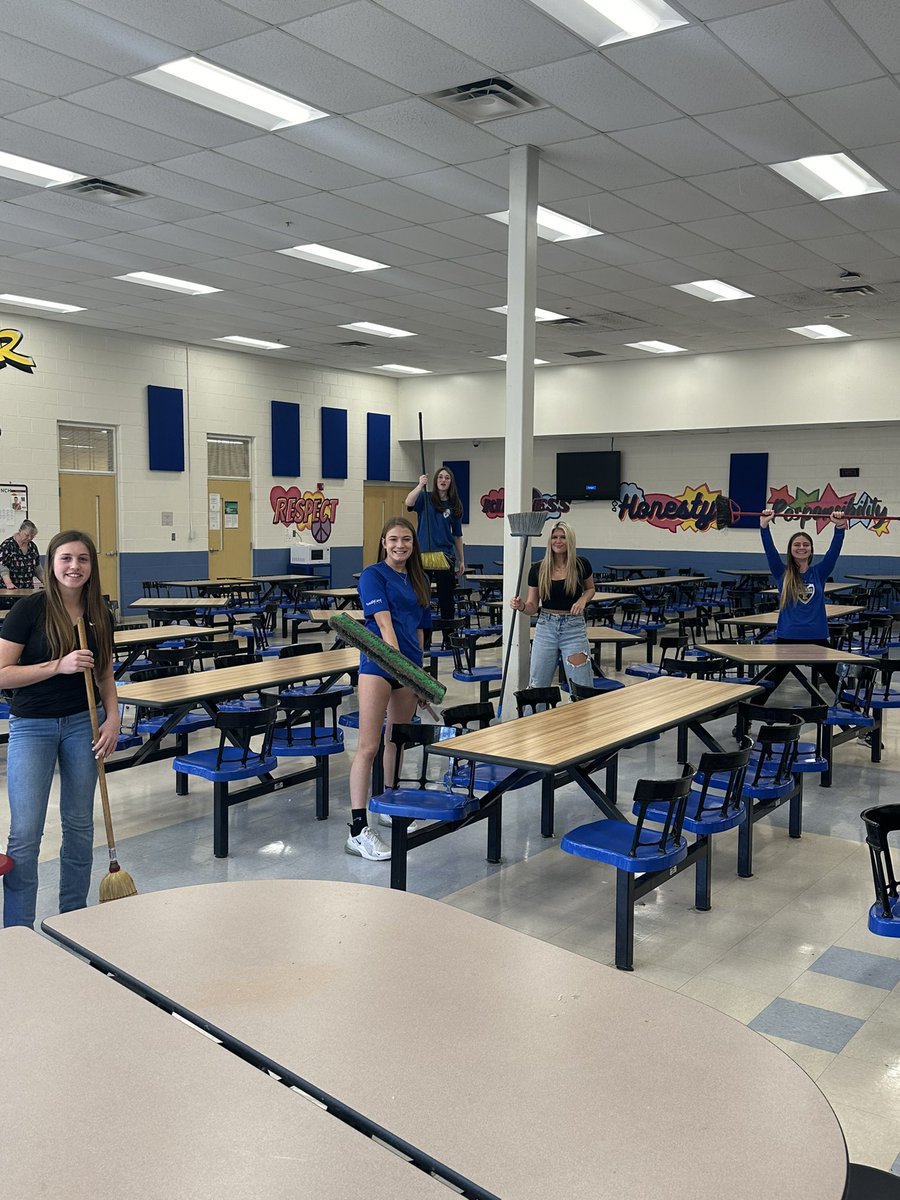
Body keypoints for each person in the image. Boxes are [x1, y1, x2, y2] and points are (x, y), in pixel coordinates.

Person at [0, 530, 120, 928]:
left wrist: (113, 717)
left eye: (83, 559)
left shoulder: (99, 613)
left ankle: (73, 917)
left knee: (80, 823)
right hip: (32, 727)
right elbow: (2, 675)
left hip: (82, 725)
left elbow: (103, 673)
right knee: (25, 832)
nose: (74, 566)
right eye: (66, 558)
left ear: (92, 566)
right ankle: (18, 930)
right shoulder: (29, 610)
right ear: (51, 563)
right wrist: (58, 665)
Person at [346, 516, 432, 861]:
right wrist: (397, 663)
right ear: (384, 542)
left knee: (396, 739)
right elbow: (383, 624)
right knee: (368, 746)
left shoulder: (419, 579)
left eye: (406, 540)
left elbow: (422, 631)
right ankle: (356, 829)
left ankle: (389, 804)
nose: (400, 545)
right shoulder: (372, 575)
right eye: (394, 539)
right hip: (378, 667)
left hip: (408, 669)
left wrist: (419, 677)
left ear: (413, 545)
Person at [759, 507, 848, 692]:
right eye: (797, 545)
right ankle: (750, 714)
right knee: (771, 680)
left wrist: (839, 528)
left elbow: (834, 552)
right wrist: (764, 527)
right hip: (788, 636)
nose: (801, 547)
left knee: (836, 680)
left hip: (817, 637)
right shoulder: (781, 572)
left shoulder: (820, 572)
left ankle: (854, 713)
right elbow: (770, 551)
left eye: (805, 544)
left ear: (811, 549)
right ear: (791, 550)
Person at [509, 521, 595, 693]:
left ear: (570, 540)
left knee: (581, 686)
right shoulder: (538, 569)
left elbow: (591, 589)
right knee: (537, 685)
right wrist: (521, 606)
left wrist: (582, 600)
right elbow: (533, 607)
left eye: (563, 537)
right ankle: (533, 719)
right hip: (545, 628)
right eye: (554, 537)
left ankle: (582, 720)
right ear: (549, 541)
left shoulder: (581, 564)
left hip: (574, 629)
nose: (558, 541)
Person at [405, 467, 465, 621]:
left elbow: (457, 535)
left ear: (451, 482)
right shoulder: (425, 498)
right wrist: (419, 485)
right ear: (435, 480)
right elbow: (408, 502)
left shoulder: (455, 505)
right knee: (421, 596)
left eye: (447, 478)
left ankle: (448, 634)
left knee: (446, 598)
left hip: (445, 556)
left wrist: (462, 559)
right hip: (423, 554)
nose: (443, 480)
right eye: (440, 477)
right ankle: (423, 633)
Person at [0, 519, 42, 589]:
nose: (29, 538)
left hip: (28, 588)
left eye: (32, 536)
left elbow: (37, 567)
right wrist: (8, 583)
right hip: (9, 588)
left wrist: (46, 582)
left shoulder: (32, 547)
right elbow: (2, 567)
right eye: (27, 535)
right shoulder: (7, 545)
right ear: (20, 531)